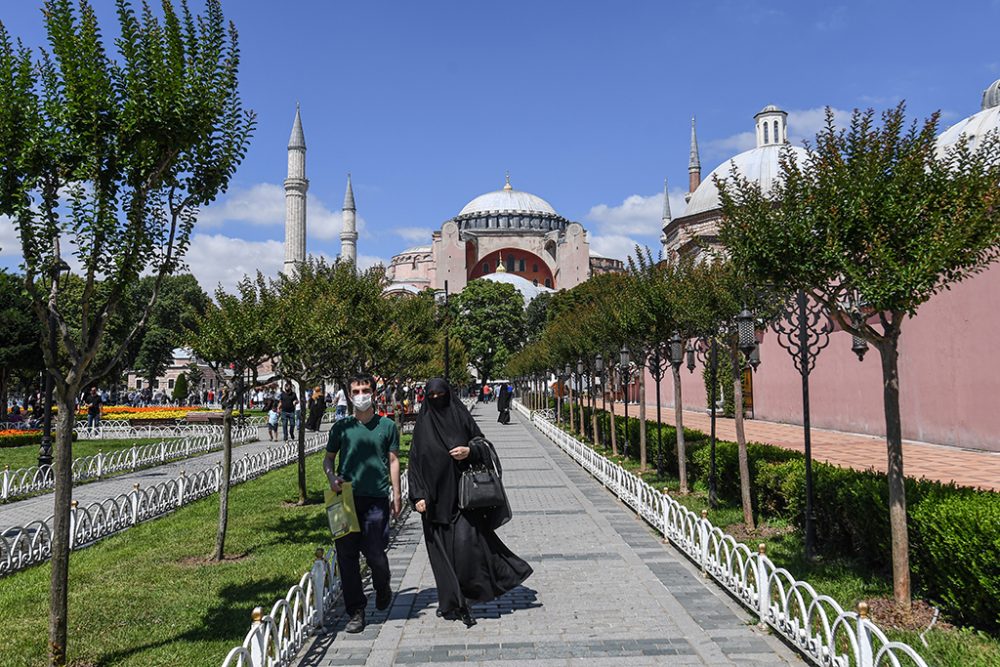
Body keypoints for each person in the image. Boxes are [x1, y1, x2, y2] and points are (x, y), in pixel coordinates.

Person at [408, 378, 532, 627]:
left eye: (440, 395)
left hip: (464, 499)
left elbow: (482, 444)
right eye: (431, 397)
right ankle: (452, 603)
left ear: (449, 395)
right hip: (433, 502)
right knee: (442, 557)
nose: (436, 400)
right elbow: (414, 462)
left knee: (466, 551)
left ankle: (469, 595)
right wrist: (417, 495)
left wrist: (469, 451)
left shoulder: (460, 415)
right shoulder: (423, 423)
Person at [324, 374, 402, 634]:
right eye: (356, 391)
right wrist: (331, 476)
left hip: (376, 498)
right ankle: (356, 611)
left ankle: (382, 585)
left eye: (365, 390)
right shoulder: (341, 427)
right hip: (344, 499)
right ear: (349, 393)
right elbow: (328, 460)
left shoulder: (387, 426)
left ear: (375, 392)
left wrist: (397, 494)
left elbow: (393, 461)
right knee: (347, 558)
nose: (361, 395)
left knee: (376, 553)